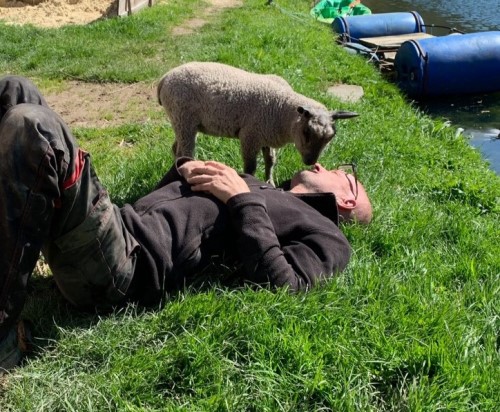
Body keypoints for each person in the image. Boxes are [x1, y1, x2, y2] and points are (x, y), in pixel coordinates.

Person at [0, 75, 372, 371]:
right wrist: (183, 168)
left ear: (347, 200)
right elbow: (174, 205)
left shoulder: (329, 235)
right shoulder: (267, 189)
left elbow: (288, 285)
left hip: (122, 267)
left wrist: (241, 198)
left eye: (343, 174)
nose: (323, 165)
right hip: (117, 226)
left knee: (34, 127)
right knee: (14, 90)